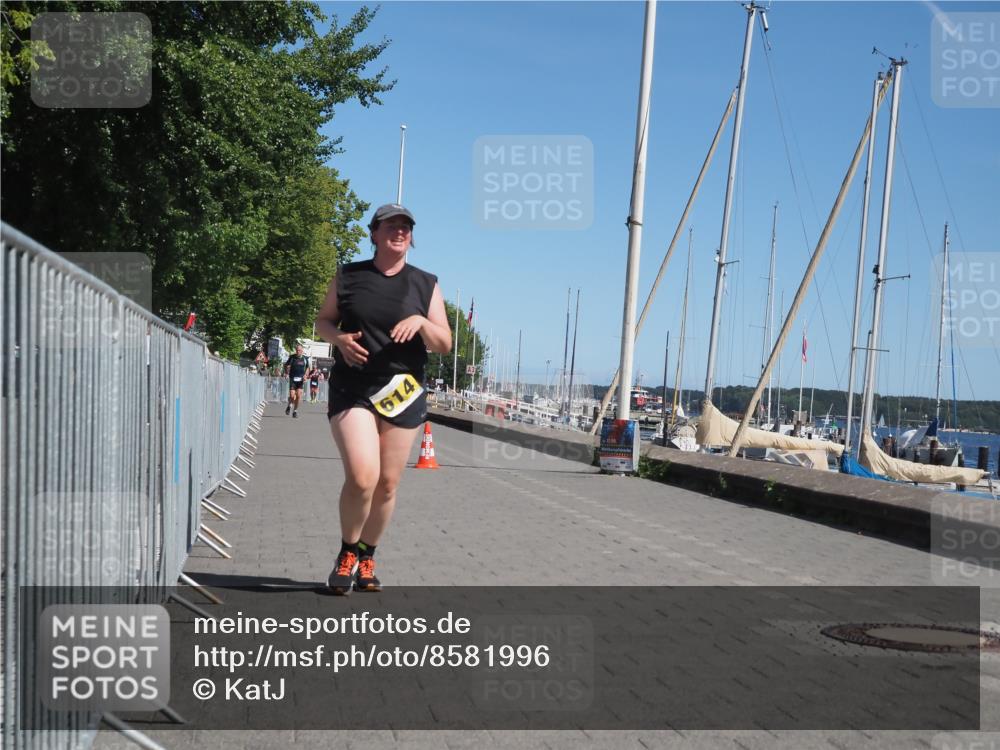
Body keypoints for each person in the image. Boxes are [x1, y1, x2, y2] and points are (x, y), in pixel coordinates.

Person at [314, 204, 451, 594]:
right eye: (391, 225)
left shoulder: (425, 284)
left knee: (388, 484)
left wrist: (424, 323)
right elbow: (322, 321)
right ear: (373, 233)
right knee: (362, 477)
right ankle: (346, 553)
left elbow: (444, 343)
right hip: (353, 386)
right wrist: (338, 339)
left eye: (406, 226)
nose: (399, 231)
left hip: (402, 392)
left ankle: (367, 555)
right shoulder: (349, 276)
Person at [284, 344, 309, 418]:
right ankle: (289, 406)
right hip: (293, 379)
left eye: (300, 350)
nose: (298, 351)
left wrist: (306, 375)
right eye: (297, 350)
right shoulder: (292, 357)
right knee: (292, 396)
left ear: (302, 351)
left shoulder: (305, 359)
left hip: (300, 380)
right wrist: (286, 373)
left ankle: (295, 411)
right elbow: (286, 365)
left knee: (298, 396)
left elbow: (307, 368)